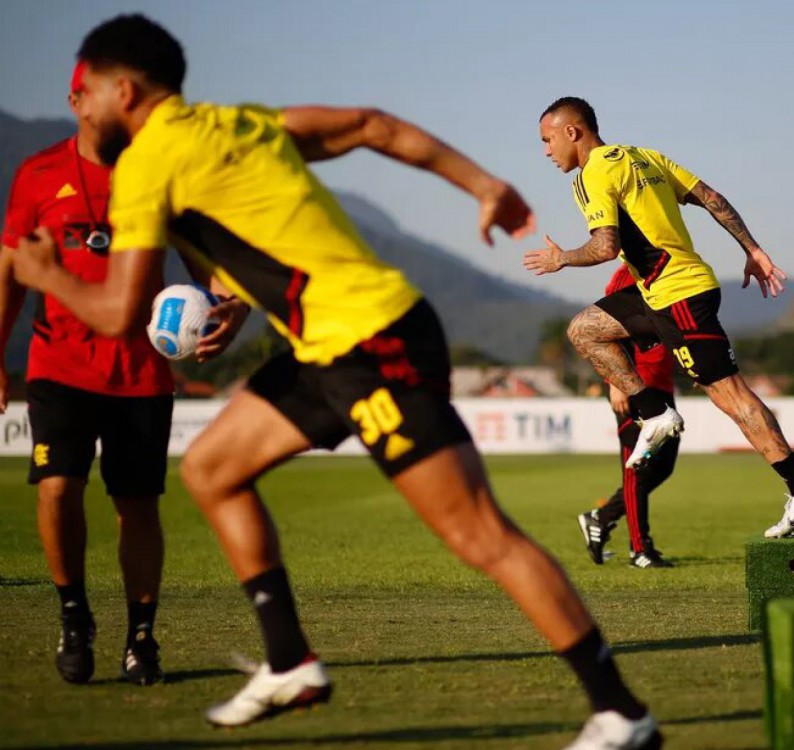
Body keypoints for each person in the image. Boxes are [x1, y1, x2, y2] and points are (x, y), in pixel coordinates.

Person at [8, 16, 660, 749]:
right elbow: (370, 125)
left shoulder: (141, 170)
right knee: (213, 468)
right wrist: (483, 184)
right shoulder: (236, 124)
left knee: (482, 535)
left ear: (120, 90)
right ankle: (290, 662)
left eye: (82, 89)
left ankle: (622, 713)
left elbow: (119, 314)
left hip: (371, 342)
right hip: (328, 343)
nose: (76, 104)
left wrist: (45, 274)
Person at [0, 62, 243, 686]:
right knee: (57, 487)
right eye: (101, 98)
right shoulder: (38, 175)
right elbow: (7, 269)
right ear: (77, 100)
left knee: (137, 506)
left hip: (140, 371)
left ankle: (142, 637)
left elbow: (203, 263)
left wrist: (230, 301)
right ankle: (74, 615)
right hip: (58, 363)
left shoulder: (158, 175)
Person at [525, 97, 794, 539]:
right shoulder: (643, 156)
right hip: (659, 291)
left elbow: (605, 246)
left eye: (547, 140)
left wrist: (562, 259)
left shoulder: (593, 174)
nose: (546, 152)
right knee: (585, 329)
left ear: (572, 132)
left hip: (679, 295)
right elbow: (712, 198)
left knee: (732, 397)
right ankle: (654, 413)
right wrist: (753, 248)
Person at [578, 265, 679, 569]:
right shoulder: (629, 272)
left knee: (663, 468)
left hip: (662, 386)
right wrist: (615, 384)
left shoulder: (671, 272)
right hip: (635, 388)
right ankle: (640, 550)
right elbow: (606, 330)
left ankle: (601, 517)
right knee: (638, 470)